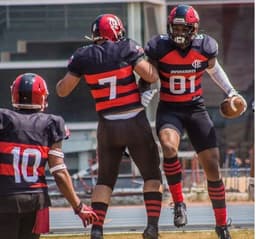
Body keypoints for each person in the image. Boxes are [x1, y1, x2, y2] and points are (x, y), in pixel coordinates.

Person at [141, 4, 247, 239]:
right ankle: (179, 202)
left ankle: (221, 224)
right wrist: (145, 90)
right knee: (168, 147)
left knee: (212, 166)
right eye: (175, 27)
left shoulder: (204, 47)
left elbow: (215, 70)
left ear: (194, 29)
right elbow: (148, 72)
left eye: (183, 28)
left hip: (195, 109)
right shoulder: (159, 47)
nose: (178, 32)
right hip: (169, 109)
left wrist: (231, 92)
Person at [56, 14, 163, 239]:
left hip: (107, 125)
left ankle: (97, 230)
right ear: (116, 31)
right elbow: (150, 76)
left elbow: (62, 90)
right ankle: (152, 227)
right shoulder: (127, 48)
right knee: (152, 176)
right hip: (133, 120)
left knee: (104, 180)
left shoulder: (83, 56)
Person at [0, 73, 98, 239]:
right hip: (36, 201)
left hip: (4, 198)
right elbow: (59, 171)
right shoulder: (52, 123)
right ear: (42, 97)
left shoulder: (3, 118)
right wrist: (79, 206)